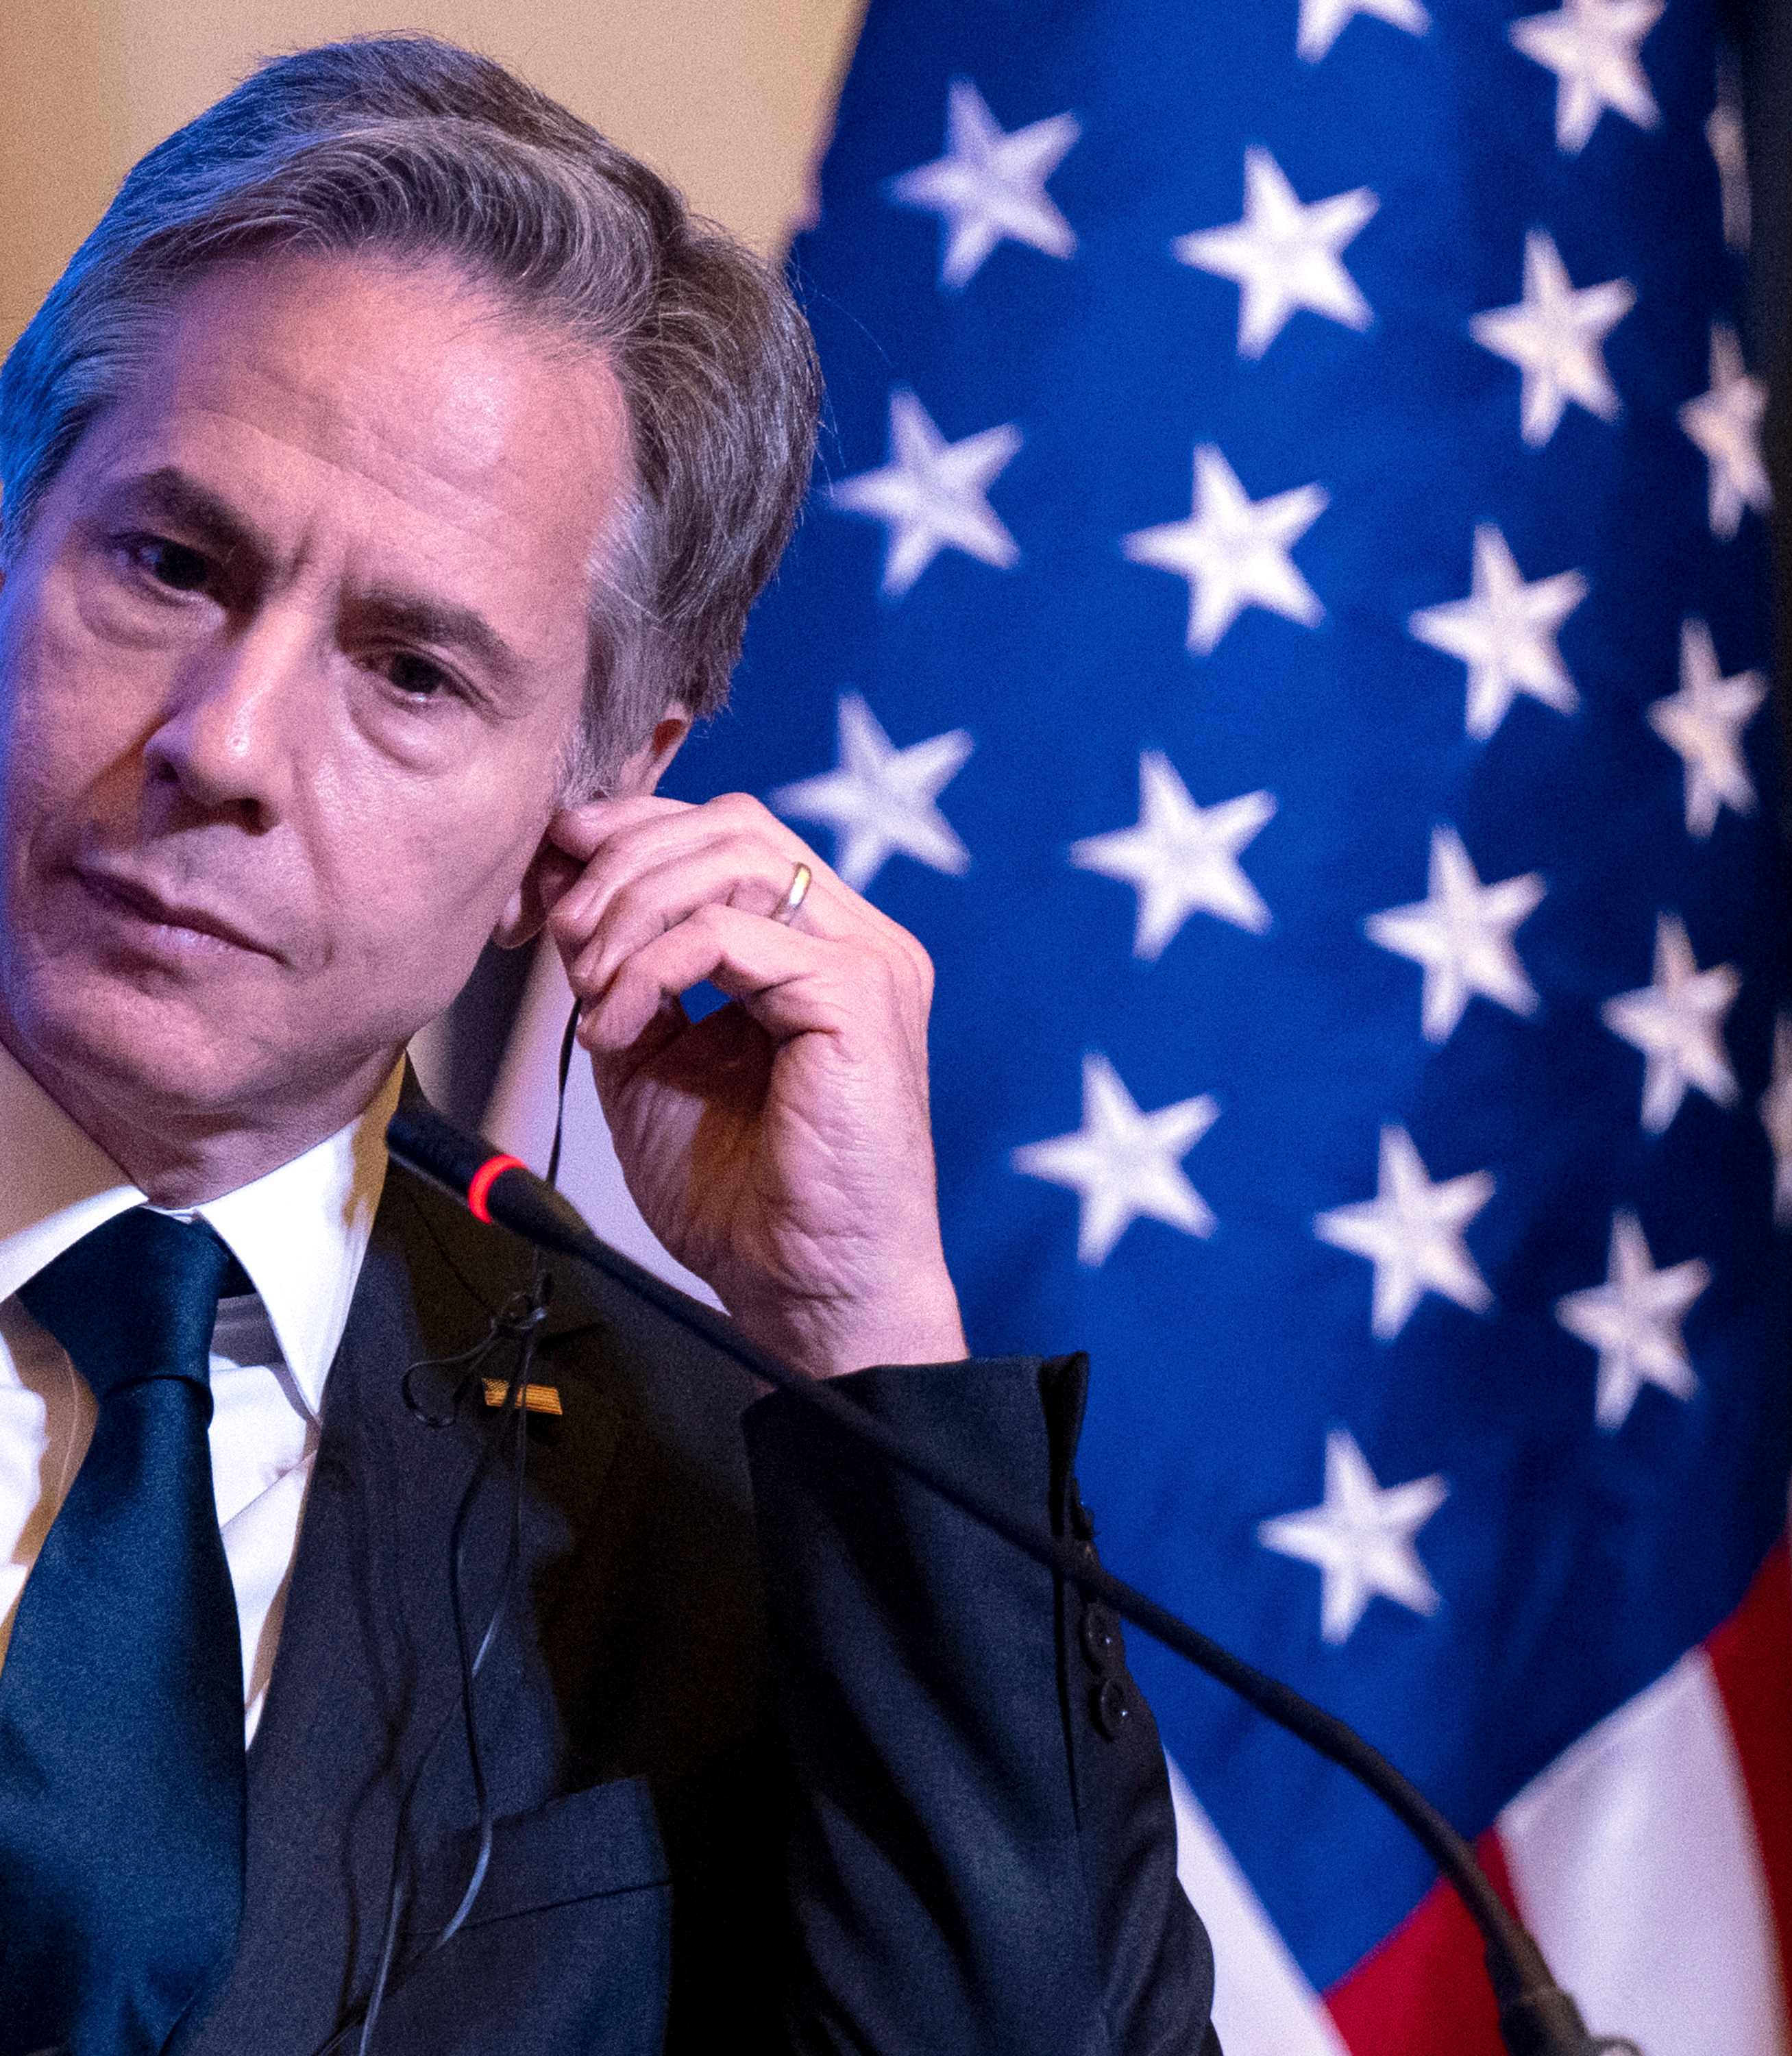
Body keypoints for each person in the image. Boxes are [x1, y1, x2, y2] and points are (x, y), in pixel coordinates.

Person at [0, 35, 1216, 2056]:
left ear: (602, 786)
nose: (220, 749)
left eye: (409, 669)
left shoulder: (701, 1512)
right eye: (169, 562)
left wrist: (864, 1336)